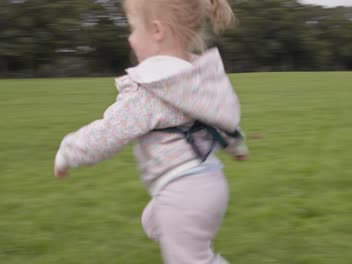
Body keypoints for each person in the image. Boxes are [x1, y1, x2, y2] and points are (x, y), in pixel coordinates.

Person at [54, 0, 248, 263]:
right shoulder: (196, 79)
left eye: (133, 29)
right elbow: (222, 118)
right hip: (211, 183)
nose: (130, 38)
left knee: (189, 258)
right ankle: (178, 233)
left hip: (183, 192)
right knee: (154, 222)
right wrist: (236, 146)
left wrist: (68, 151)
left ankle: (183, 237)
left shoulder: (150, 89)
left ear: (157, 30)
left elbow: (108, 133)